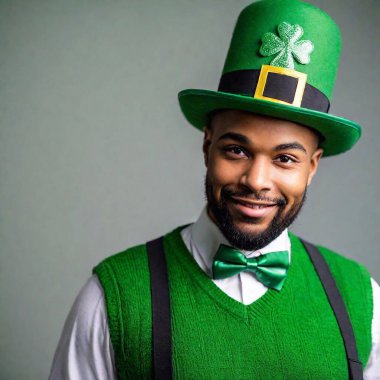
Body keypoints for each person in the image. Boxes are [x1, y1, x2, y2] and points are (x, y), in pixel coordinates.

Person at [50, 0, 380, 378]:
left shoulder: (362, 300)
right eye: (236, 150)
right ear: (207, 146)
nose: (256, 180)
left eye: (285, 159)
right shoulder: (114, 296)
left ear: (313, 166)